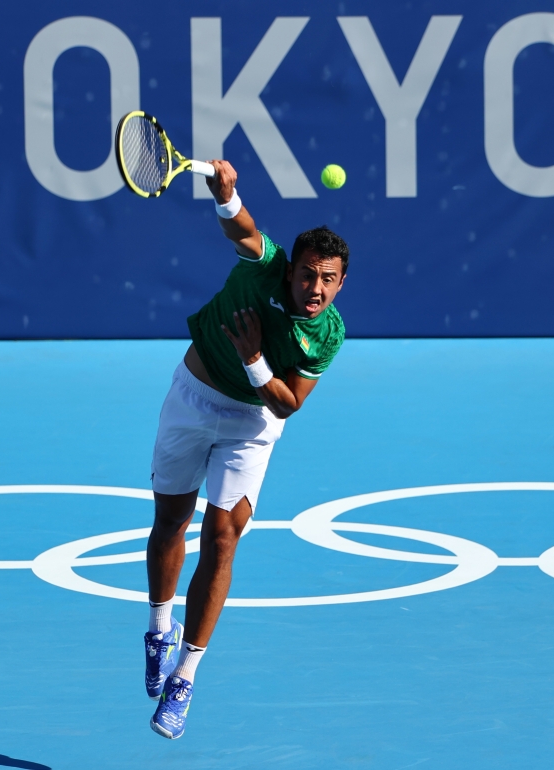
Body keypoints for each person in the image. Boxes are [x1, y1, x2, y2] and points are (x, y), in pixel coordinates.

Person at [144, 160, 350, 739]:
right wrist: (225, 196)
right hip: (191, 398)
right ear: (291, 271)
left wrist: (254, 355)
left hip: (251, 426)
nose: (315, 289)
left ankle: (185, 674)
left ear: (340, 283)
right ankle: (159, 627)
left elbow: (287, 404)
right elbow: (244, 231)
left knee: (222, 537)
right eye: (308, 274)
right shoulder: (265, 268)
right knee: (170, 523)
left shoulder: (328, 334)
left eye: (328, 279)